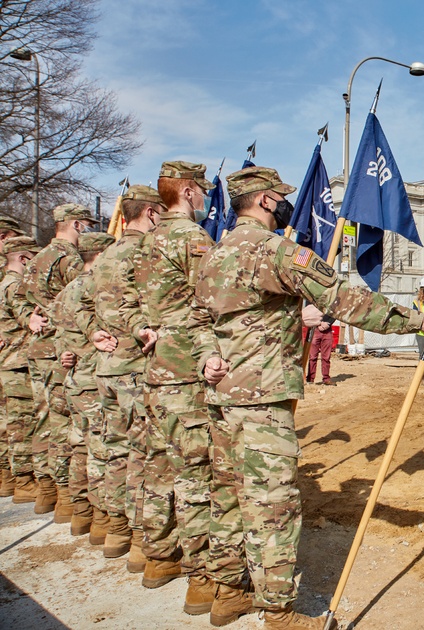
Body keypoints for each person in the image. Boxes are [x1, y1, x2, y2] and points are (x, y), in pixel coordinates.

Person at [188, 166, 424, 628]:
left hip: (221, 397)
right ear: (266, 201)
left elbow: (195, 320)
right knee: (273, 503)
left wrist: (208, 356)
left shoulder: (214, 253)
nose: (285, 203)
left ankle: (226, 591)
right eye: (279, 197)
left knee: (227, 494)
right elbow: (345, 300)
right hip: (262, 399)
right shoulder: (275, 250)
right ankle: (278, 611)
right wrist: (416, 321)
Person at [132, 162, 216, 610]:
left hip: (156, 373)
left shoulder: (143, 242)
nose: (205, 198)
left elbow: (125, 300)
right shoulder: (191, 238)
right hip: (188, 372)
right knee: (195, 476)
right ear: (187, 190)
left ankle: (158, 558)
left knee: (158, 467)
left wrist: (139, 327)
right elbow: (213, 299)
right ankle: (202, 578)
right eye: (202, 190)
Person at [85, 184, 162, 563]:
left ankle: (110, 527)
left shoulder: (105, 255)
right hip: (136, 369)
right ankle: (137, 541)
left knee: (113, 451)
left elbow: (77, 302)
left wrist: (90, 332)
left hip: (107, 370)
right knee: (144, 456)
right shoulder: (145, 251)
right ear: (151, 213)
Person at [22, 203, 97, 518]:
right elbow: (83, 299)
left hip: (40, 346)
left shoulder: (37, 258)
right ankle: (70, 499)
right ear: (77, 225)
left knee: (46, 420)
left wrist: (29, 318)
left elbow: (19, 296)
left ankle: (48, 491)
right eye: (86, 226)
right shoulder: (70, 259)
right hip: (64, 348)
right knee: (71, 425)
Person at [49, 232, 115, 537]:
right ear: (100, 256)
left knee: (79, 447)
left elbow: (54, 328)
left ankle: (79, 512)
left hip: (74, 380)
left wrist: (66, 352)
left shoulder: (67, 290)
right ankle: (104, 521)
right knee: (103, 452)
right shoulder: (98, 288)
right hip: (94, 380)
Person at [0, 236, 41, 504]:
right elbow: (26, 317)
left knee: (10, 422)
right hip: (17, 363)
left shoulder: (3, 282)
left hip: (9, 361)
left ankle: (8, 477)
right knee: (21, 424)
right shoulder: (14, 286)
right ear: (24, 259)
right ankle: (23, 481)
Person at [306, 319, 335, 385]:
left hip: (327, 330)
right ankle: (310, 379)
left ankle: (326, 379)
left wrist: (328, 323)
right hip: (315, 328)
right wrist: (319, 323)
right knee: (312, 357)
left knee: (326, 357)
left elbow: (335, 313)